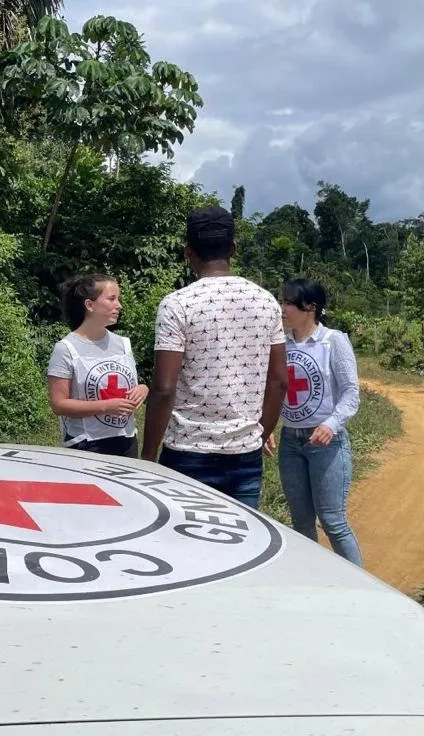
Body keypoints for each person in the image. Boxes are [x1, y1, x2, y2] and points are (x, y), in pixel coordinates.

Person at [140, 205, 288, 510]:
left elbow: (164, 389)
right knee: (239, 548)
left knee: (184, 548)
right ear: (233, 248)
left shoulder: (177, 305)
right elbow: (279, 381)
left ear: (188, 252)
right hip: (244, 456)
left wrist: (148, 457)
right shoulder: (266, 302)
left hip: (186, 454)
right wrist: (259, 435)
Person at [264, 278, 364, 566]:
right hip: (291, 443)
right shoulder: (281, 345)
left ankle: (362, 586)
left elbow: (350, 394)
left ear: (310, 308)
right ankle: (314, 580)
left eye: (287, 303)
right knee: (301, 522)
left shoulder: (333, 342)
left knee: (332, 520)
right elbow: (272, 387)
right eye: (281, 301)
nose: (281, 308)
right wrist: (267, 425)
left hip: (327, 445)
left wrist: (330, 425)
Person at [46, 273, 149, 458]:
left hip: (126, 441)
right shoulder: (66, 348)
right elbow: (58, 404)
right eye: (112, 299)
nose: (119, 305)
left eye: (118, 299)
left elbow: (131, 384)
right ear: (90, 305)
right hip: (87, 445)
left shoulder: (123, 344)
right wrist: (106, 406)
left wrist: (143, 389)